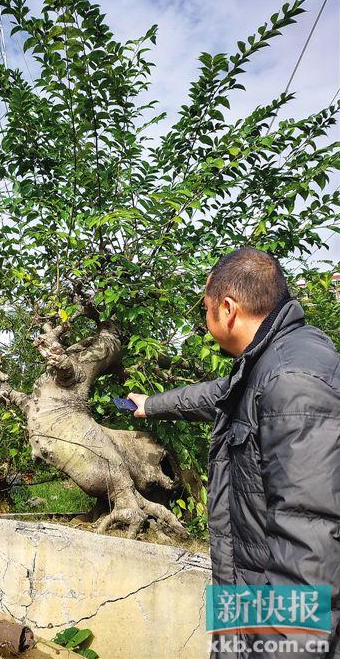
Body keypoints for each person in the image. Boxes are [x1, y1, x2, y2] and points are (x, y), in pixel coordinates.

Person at [128, 247, 340, 658]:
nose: (205, 319)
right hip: (246, 587)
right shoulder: (271, 360)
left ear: (227, 308)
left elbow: (309, 540)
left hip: (276, 620)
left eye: (204, 309)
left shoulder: (293, 382)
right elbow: (218, 396)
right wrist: (150, 404)